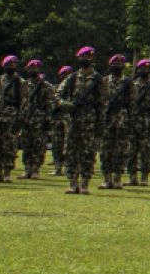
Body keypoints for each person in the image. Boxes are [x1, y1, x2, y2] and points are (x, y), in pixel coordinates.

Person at [58, 46, 108, 194]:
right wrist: (66, 105)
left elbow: (104, 100)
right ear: (78, 58)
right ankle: (72, 183)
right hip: (73, 120)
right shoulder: (72, 78)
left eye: (89, 57)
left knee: (88, 152)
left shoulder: (98, 79)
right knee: (71, 151)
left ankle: (85, 183)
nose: (86, 59)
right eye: (83, 57)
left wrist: (100, 121)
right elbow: (58, 95)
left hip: (90, 120)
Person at [19, 59, 55, 179]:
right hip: (26, 119)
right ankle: (27, 169)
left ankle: (35, 169)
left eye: (36, 69)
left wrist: (48, 120)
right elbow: (21, 102)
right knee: (26, 145)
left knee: (38, 145)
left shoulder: (46, 86)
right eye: (31, 68)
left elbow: (50, 104)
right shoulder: (23, 85)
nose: (33, 71)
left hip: (40, 119)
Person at [99, 54, 132, 189]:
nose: (118, 67)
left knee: (121, 150)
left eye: (120, 64)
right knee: (105, 150)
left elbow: (132, 103)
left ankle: (117, 179)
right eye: (115, 64)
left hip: (122, 120)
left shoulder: (128, 83)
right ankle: (107, 179)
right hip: (107, 119)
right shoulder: (103, 81)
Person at [0, 55, 24, 183]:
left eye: (12, 65)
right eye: (7, 65)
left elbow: (24, 103)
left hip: (12, 116)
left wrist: (19, 120)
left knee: (9, 145)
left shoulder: (20, 82)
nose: (10, 67)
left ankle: (7, 173)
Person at [126, 59, 150, 186]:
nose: (145, 71)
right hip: (133, 119)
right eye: (143, 68)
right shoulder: (131, 84)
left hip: (147, 121)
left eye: (148, 68)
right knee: (131, 149)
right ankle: (132, 177)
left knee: (146, 150)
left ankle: (144, 177)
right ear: (138, 69)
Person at [51, 65, 71, 176]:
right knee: (57, 143)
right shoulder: (58, 88)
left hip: (70, 119)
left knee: (69, 144)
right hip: (58, 119)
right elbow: (54, 101)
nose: (66, 76)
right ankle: (58, 168)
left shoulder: (75, 85)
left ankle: (68, 167)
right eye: (64, 74)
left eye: (68, 74)